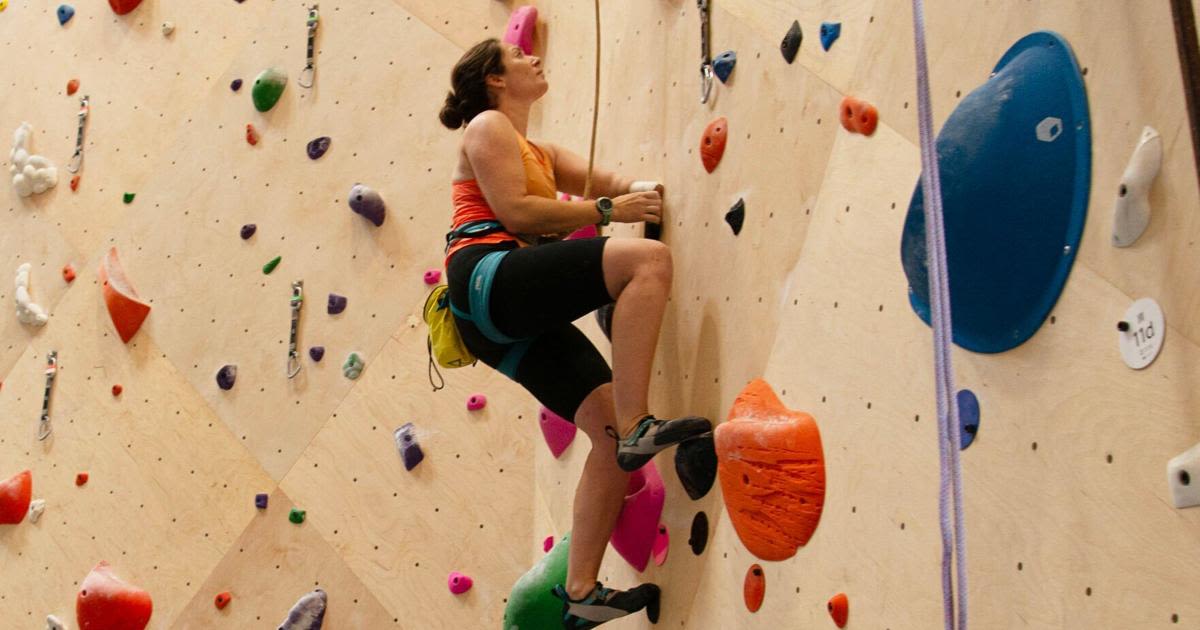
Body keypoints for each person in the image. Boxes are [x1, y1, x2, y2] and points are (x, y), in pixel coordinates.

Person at [438, 39, 711, 628]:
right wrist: (610, 210)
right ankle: (642, 422)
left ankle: (580, 590)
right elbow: (519, 214)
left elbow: (612, 181)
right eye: (519, 58)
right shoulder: (487, 126)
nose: (534, 59)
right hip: (487, 278)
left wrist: (642, 192)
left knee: (608, 439)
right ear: (494, 81)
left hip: (498, 321)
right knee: (649, 265)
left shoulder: (540, 149)